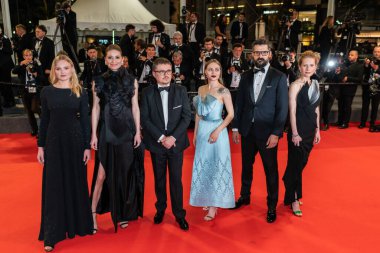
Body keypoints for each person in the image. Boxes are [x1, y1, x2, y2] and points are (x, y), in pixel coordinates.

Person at [37, 54, 93, 252]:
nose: (62, 72)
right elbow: (44, 120)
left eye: (66, 68)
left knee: (76, 181)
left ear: (72, 70)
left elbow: (85, 121)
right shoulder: (46, 92)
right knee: (53, 185)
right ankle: (52, 234)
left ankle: (79, 224)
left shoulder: (80, 92)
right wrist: (40, 146)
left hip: (75, 142)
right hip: (53, 142)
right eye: (59, 68)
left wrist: (87, 146)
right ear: (54, 71)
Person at [231, 39, 288, 223]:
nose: (260, 56)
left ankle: (271, 205)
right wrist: (236, 127)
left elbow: (282, 108)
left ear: (269, 54)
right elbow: (239, 104)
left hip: (268, 133)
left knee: (270, 170)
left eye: (264, 52)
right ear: (252, 54)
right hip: (247, 130)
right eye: (257, 52)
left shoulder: (279, 76)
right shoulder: (246, 76)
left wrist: (276, 133)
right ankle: (244, 196)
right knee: (246, 167)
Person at [90, 44, 144, 232]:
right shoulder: (98, 81)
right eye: (110, 57)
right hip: (106, 131)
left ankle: (123, 213)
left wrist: (137, 131)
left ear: (123, 60)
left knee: (124, 172)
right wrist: (93, 134)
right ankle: (92, 214)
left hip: (126, 131)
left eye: (117, 57)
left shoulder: (132, 81)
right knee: (101, 175)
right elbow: (95, 108)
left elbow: (135, 107)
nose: (113, 61)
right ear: (105, 60)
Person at [141, 57, 191, 231]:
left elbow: (187, 117)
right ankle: (160, 209)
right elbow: (145, 119)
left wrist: (173, 138)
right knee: (159, 179)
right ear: (154, 74)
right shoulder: (146, 93)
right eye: (161, 71)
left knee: (176, 180)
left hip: (176, 144)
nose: (165, 75)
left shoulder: (181, 90)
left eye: (168, 71)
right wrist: (162, 138)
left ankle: (179, 214)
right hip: (157, 144)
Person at [190, 59, 235, 220]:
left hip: (218, 131)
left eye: (217, 69)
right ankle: (208, 198)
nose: (213, 72)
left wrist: (217, 131)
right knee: (204, 165)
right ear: (205, 72)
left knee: (216, 166)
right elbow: (198, 114)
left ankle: (214, 206)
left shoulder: (224, 91)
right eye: (210, 69)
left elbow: (230, 115)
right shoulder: (201, 88)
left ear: (220, 72)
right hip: (202, 131)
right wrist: (195, 134)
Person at [283, 51, 322, 217]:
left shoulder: (315, 84)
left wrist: (318, 129)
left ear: (316, 67)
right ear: (299, 66)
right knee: (297, 165)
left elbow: (316, 109)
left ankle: (288, 183)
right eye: (305, 65)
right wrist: (295, 133)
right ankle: (294, 199)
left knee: (300, 163)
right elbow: (291, 111)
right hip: (297, 130)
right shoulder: (295, 85)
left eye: (311, 65)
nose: (308, 68)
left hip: (310, 130)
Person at [12, 49, 46, 136]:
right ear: (23, 57)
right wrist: (20, 64)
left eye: (30, 55)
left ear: (32, 56)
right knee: (29, 112)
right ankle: (35, 130)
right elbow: (14, 71)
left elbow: (42, 78)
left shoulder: (37, 64)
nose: (28, 57)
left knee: (34, 108)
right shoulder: (21, 64)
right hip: (25, 90)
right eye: (26, 55)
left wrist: (36, 74)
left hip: (35, 90)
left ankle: (44, 121)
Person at [335, 49, 363, 129]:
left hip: (350, 89)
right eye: (349, 55)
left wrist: (348, 78)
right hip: (341, 88)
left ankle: (345, 123)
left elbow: (359, 79)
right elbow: (340, 76)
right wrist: (337, 73)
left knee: (347, 106)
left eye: (352, 55)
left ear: (356, 56)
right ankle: (339, 121)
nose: (349, 56)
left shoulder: (359, 66)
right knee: (340, 105)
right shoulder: (344, 64)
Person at [359, 46, 380, 132]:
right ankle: (363, 123)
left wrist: (376, 68)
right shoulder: (369, 60)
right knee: (365, 106)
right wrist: (367, 65)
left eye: (378, 52)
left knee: (375, 107)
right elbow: (364, 72)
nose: (376, 53)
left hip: (378, 88)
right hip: (367, 86)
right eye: (375, 51)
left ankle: (372, 124)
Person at [0, 25, 15, 113]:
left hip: (5, 65)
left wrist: (2, 48)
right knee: (2, 85)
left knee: (7, 83)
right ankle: (5, 101)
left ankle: (10, 101)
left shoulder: (5, 38)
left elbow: (10, 51)